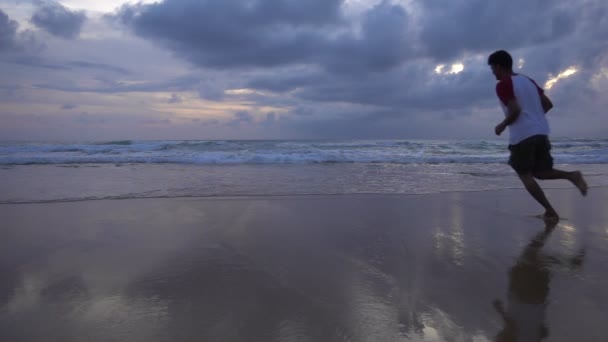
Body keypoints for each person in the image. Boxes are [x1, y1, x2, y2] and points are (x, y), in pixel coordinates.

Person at [487, 50, 587, 221]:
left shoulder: (503, 84)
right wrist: (534, 118)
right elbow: (548, 104)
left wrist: (502, 125)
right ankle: (572, 175)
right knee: (540, 172)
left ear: (498, 66)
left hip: (523, 136)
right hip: (541, 131)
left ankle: (550, 211)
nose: (492, 72)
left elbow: (515, 110)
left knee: (524, 173)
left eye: (492, 68)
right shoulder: (527, 80)